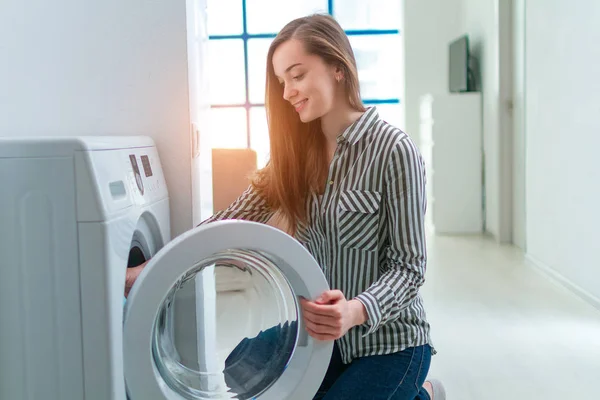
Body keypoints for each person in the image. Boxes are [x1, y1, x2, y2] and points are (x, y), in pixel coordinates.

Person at [126, 13, 446, 400]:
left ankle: (421, 391)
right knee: (238, 371)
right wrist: (152, 268)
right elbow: (230, 221)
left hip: (388, 342)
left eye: (297, 75)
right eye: (281, 82)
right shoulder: (295, 157)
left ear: (338, 68)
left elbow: (409, 268)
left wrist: (355, 311)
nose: (287, 92)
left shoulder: (395, 150)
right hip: (322, 338)